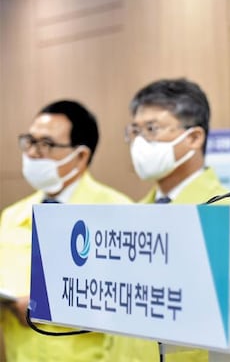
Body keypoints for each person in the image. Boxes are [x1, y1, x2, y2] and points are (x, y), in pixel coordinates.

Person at [113, 78, 230, 362]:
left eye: (152, 129)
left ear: (194, 138)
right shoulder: (131, 215)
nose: (139, 142)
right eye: (135, 131)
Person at [0, 100, 133, 362]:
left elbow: (130, 303)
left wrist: (46, 305)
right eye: (30, 141)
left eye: (46, 144)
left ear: (80, 155)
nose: (33, 153)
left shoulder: (119, 212)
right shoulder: (13, 215)